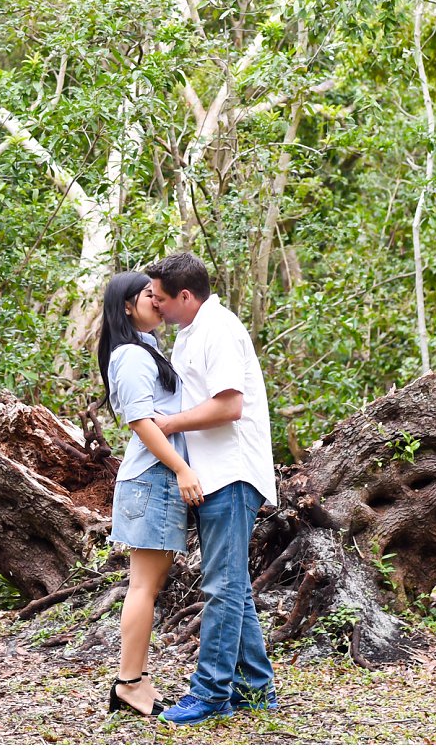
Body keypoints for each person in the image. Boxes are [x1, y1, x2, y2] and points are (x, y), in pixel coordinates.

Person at [143, 251, 278, 725]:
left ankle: (210, 693)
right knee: (233, 585)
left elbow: (229, 407)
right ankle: (256, 689)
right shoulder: (188, 334)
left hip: (232, 473)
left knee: (221, 587)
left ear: (185, 295)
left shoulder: (218, 329)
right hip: (212, 473)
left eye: (159, 298)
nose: (155, 306)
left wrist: (166, 423)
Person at [96, 270, 205, 718]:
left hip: (153, 478)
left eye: (159, 296)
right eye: (147, 296)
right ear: (126, 305)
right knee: (143, 586)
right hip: (154, 477)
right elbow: (141, 422)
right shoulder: (132, 356)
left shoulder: (148, 349)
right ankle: (129, 683)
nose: (157, 302)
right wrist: (181, 468)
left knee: (148, 584)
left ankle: (133, 679)